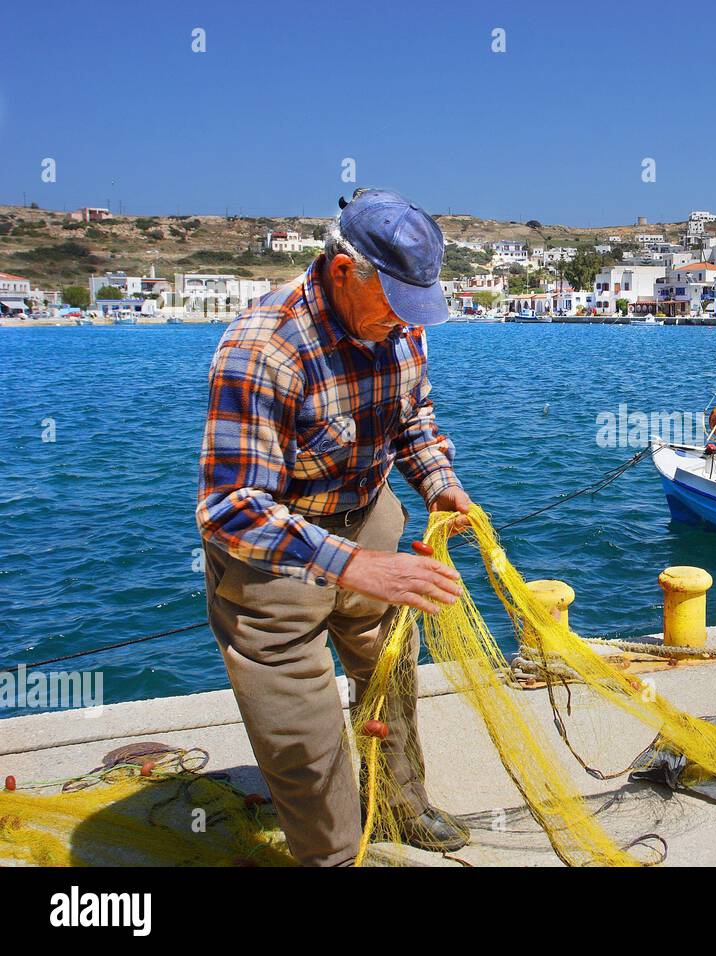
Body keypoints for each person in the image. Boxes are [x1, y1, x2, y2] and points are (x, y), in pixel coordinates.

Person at [196, 187, 471, 865]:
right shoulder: (264, 350)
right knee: (307, 747)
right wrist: (353, 565)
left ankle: (402, 806)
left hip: (368, 521)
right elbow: (231, 505)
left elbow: (415, 422)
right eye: (396, 309)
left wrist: (441, 486)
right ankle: (334, 855)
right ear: (344, 272)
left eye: (417, 311)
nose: (407, 325)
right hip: (273, 564)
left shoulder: (401, 325)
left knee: (392, 678)